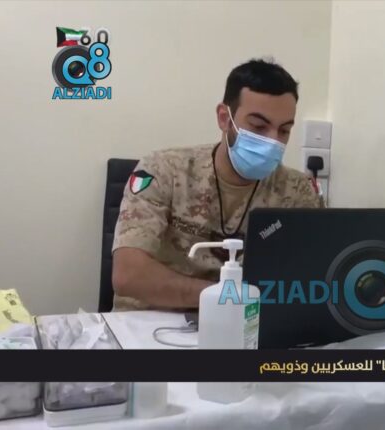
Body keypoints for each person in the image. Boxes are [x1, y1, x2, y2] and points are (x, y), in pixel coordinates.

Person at [111, 58, 323, 311]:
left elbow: (313, 278)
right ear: (224, 118)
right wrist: (228, 297)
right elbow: (129, 275)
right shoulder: (164, 170)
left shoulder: (298, 191)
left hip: (248, 323)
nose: (272, 141)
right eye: (258, 127)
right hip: (151, 321)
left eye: (284, 130)